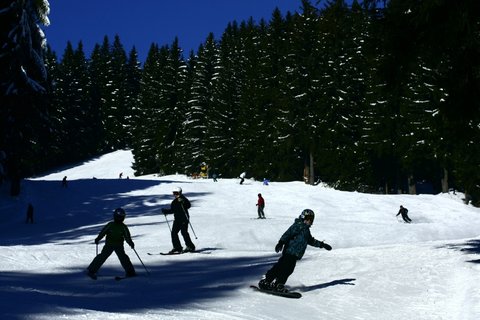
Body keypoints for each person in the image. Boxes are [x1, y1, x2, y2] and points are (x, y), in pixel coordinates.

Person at [258, 209, 332, 293]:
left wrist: (322, 245)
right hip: (289, 252)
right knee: (282, 268)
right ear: (303, 217)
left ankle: (276, 283)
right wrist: (281, 242)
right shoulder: (297, 225)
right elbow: (287, 234)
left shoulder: (306, 231)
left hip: (295, 255)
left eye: (311, 219)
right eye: (308, 219)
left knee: (287, 269)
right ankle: (269, 281)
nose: (310, 221)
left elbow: (311, 241)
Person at [86, 208, 136, 280]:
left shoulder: (123, 227)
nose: (119, 219)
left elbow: (127, 236)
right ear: (115, 217)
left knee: (123, 257)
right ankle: (92, 270)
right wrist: (98, 238)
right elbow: (103, 232)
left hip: (119, 245)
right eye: (118, 217)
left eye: (121, 217)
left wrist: (130, 243)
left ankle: (130, 271)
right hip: (109, 245)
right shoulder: (110, 225)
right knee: (102, 256)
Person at [162, 187, 195, 253]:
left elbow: (188, 205)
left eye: (176, 193)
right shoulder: (174, 201)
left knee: (184, 232)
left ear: (180, 193)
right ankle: (177, 247)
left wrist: (183, 202)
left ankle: (190, 247)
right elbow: (173, 210)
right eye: (174, 193)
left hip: (184, 219)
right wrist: (166, 211)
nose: (175, 194)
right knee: (173, 233)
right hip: (177, 219)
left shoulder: (183, 199)